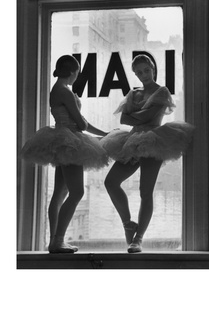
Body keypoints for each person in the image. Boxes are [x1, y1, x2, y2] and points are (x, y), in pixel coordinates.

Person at [101, 54, 195, 253]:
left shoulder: (162, 91)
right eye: (139, 72)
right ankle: (128, 224)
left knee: (145, 191)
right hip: (132, 141)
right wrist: (137, 117)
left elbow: (148, 116)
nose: (144, 75)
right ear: (135, 74)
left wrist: (134, 116)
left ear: (153, 69)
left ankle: (138, 239)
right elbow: (124, 120)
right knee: (110, 182)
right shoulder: (134, 94)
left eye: (146, 70)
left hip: (154, 141)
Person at [21, 55, 109, 253]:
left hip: (62, 139)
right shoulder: (65, 92)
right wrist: (95, 131)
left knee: (61, 192)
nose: (76, 77)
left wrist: (103, 133)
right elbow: (81, 123)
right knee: (77, 192)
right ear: (72, 72)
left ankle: (54, 240)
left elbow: (81, 121)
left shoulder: (57, 90)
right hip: (70, 142)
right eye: (77, 73)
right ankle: (58, 240)